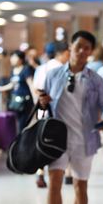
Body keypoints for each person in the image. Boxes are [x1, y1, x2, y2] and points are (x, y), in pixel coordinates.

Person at [38, 30, 103, 204]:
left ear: (91, 52)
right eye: (78, 46)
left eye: (87, 48)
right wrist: (42, 101)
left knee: (81, 186)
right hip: (57, 139)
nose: (82, 51)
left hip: (85, 138)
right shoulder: (54, 75)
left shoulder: (94, 79)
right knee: (54, 183)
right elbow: (44, 104)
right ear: (70, 48)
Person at [33, 41, 70, 188]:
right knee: (62, 143)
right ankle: (66, 174)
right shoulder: (63, 69)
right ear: (63, 53)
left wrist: (43, 100)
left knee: (43, 142)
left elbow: (36, 89)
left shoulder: (41, 68)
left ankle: (40, 173)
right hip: (60, 113)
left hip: (42, 111)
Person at [0, 50, 35, 132]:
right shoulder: (13, 70)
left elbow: (31, 85)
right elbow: (12, 85)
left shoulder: (25, 69)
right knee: (17, 123)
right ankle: (18, 141)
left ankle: (22, 141)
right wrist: (1, 88)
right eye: (12, 57)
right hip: (15, 101)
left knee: (22, 124)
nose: (12, 59)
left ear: (21, 59)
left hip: (25, 101)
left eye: (14, 57)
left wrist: (35, 99)